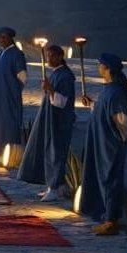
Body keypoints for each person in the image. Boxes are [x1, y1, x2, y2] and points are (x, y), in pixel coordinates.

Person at [79, 54, 127, 236]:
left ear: (107, 68)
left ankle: (111, 220)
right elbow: (105, 110)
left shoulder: (116, 92)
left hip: (110, 145)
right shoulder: (108, 89)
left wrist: (120, 141)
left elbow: (122, 120)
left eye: (100, 65)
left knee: (110, 179)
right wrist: (92, 105)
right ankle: (105, 216)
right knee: (103, 177)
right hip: (102, 142)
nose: (99, 68)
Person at [18, 43, 76, 200]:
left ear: (59, 57)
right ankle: (54, 185)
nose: (49, 59)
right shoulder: (57, 73)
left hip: (59, 122)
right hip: (51, 120)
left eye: (51, 56)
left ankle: (55, 187)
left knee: (56, 153)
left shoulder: (65, 76)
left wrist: (49, 89)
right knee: (49, 150)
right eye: (47, 55)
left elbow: (62, 102)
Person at [0, 27, 28, 160]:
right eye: (0, 37)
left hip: (9, 96)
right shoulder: (0, 54)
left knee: (8, 123)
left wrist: (13, 88)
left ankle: (10, 154)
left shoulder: (17, 54)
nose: (1, 40)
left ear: (10, 38)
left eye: (4, 37)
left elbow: (23, 77)